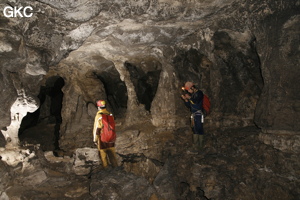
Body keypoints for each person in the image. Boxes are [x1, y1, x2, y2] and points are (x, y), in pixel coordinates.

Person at [93, 100, 118, 168]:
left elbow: (97, 128)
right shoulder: (110, 114)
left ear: (98, 107)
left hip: (102, 138)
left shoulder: (99, 115)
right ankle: (116, 167)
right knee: (112, 155)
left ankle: (106, 169)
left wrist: (95, 139)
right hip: (111, 137)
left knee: (103, 155)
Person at [181, 82, 205, 151]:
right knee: (194, 129)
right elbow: (190, 105)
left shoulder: (199, 93)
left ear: (192, 87)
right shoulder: (193, 94)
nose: (188, 91)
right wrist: (185, 100)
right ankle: (195, 145)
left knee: (199, 128)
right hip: (194, 114)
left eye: (188, 89)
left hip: (198, 114)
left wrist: (190, 98)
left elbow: (196, 102)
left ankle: (201, 146)